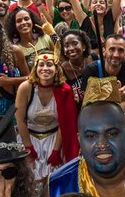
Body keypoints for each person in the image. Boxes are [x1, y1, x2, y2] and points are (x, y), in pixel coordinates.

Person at [15, 51, 79, 180]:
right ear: (35, 68)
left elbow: (64, 124)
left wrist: (56, 151)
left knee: (52, 180)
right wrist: (28, 147)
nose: (45, 68)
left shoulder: (65, 90)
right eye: (41, 65)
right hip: (29, 138)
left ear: (56, 69)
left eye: (49, 65)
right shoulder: (26, 88)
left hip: (54, 139)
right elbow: (20, 120)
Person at [81, 34, 125, 112]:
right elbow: (88, 107)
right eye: (112, 49)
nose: (116, 55)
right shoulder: (91, 70)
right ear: (104, 51)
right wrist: (114, 97)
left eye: (121, 50)